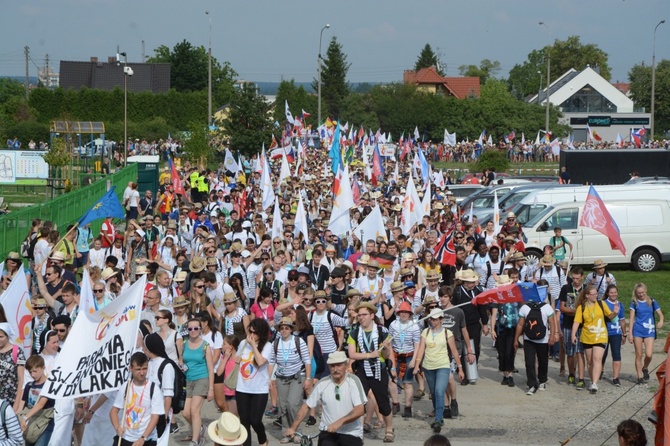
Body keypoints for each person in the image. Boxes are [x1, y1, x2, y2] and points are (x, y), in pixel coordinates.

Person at [284, 351, 367, 446]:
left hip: (351, 433)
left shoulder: (353, 381)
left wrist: (340, 422)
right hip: (328, 432)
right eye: (332, 366)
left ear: (346, 364)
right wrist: (293, 428)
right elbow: (306, 406)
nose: (335, 369)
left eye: (339, 365)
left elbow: (360, 410)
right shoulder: (322, 383)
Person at [346, 302, 395, 442]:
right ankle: (359, 432)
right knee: (359, 403)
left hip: (379, 371)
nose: (361, 317)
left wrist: (385, 348)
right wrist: (369, 355)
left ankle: (389, 429)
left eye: (364, 315)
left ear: (372, 316)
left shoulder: (382, 331)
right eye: (359, 315)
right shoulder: (354, 332)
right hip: (362, 371)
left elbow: (386, 355)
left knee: (383, 402)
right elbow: (352, 354)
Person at [413, 308, 464, 434]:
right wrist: (417, 364)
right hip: (428, 366)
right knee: (434, 393)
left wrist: (460, 368)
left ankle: (438, 419)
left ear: (441, 319)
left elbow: (454, 351)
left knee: (439, 391)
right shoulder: (426, 332)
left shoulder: (447, 333)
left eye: (435, 319)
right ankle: (438, 412)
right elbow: (421, 349)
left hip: (443, 365)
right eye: (431, 319)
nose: (432, 321)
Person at [269, 317, 312, 444]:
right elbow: (271, 361)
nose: (284, 330)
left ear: (291, 330)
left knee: (293, 404)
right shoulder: (275, 343)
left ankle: (296, 431)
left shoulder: (298, 341)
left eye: (287, 328)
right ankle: (287, 433)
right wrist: (268, 379)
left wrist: (308, 378)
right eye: (281, 328)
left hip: (296, 376)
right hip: (281, 377)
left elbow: (307, 360)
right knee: (283, 406)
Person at [110, 352, 165, 446]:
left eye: (144, 368)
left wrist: (143, 438)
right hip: (125, 437)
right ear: (130, 369)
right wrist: (117, 427)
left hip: (146, 439)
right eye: (138, 369)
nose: (142, 372)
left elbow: (155, 417)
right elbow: (114, 411)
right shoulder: (126, 386)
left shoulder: (154, 389)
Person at [571, 285, 617, 394]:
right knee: (590, 361)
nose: (596, 296)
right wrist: (573, 335)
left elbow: (610, 316)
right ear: (587, 296)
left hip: (600, 335)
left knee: (597, 359)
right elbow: (577, 322)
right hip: (587, 336)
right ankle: (593, 379)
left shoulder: (601, 304)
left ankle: (595, 383)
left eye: (597, 294)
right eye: (593, 294)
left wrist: (615, 312)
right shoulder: (581, 307)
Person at [234, 318, 272, 446]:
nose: (251, 335)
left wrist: (254, 347)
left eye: (255, 333)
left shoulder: (267, 345)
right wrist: (237, 359)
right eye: (250, 331)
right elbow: (237, 358)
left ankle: (263, 440)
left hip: (259, 389)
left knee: (255, 420)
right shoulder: (243, 343)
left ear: (261, 333)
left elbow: (261, 362)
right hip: (242, 387)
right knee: (244, 421)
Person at [178, 317, 214, 446]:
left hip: (202, 379)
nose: (193, 331)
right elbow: (181, 360)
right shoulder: (184, 344)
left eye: (195, 328)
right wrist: (181, 364)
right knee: (185, 413)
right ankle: (200, 429)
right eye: (190, 329)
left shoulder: (205, 346)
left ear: (200, 329)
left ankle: (195, 440)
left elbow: (210, 369)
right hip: (189, 380)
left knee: (194, 410)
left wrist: (211, 389)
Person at [515, 295, 559, 395]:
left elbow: (552, 323)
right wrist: (516, 339)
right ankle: (532, 384)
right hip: (528, 339)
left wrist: (552, 336)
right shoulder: (525, 308)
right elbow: (520, 324)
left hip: (543, 340)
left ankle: (542, 380)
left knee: (543, 361)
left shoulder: (547, 307)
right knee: (529, 362)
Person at [144, 333, 175, 446]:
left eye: (144, 346)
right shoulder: (148, 363)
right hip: (147, 412)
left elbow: (168, 395)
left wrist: (164, 417)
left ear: (149, 348)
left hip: (160, 413)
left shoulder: (166, 366)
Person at [629, 282, 664, 384]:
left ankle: (645, 368)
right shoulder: (634, 303)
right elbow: (631, 319)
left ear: (646, 291)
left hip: (649, 331)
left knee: (648, 354)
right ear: (636, 293)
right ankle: (639, 376)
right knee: (638, 354)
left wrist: (661, 320)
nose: (641, 294)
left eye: (642, 292)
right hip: (638, 330)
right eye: (638, 293)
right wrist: (630, 334)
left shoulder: (652, 301)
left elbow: (660, 314)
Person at [18, 355, 55, 446]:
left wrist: (25, 417)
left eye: (35, 371)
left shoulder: (48, 385)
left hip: (44, 425)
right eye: (30, 372)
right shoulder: (29, 385)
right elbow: (22, 406)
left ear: (43, 368)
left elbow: (41, 404)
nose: (32, 375)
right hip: (30, 425)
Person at [602, 284, 626, 387]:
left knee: (616, 354)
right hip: (605, 332)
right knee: (602, 354)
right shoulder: (603, 303)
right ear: (607, 293)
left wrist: (624, 333)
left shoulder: (620, 304)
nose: (613, 294)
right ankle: (599, 371)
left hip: (616, 333)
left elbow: (622, 320)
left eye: (615, 292)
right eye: (611, 292)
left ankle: (616, 377)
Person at [0, 323, 25, 413]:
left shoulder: (17, 352)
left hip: (10, 399)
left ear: (7, 336)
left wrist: (17, 403)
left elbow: (21, 379)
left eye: (1, 337)